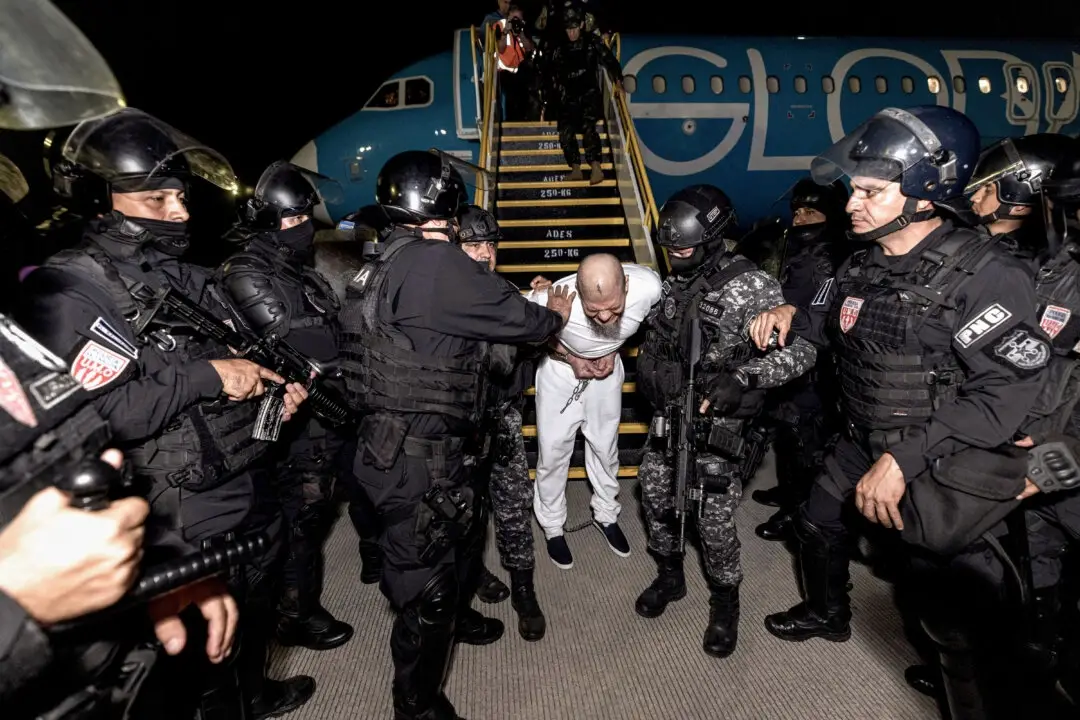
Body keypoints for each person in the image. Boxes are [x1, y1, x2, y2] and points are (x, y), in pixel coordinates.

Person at [16, 107, 315, 718]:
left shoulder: (186, 275)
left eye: (179, 197)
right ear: (103, 203)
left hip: (243, 473)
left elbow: (228, 356)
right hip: (180, 508)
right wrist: (209, 376)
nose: (179, 213)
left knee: (250, 614)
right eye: (158, 200)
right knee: (192, 668)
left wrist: (268, 387)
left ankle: (254, 695)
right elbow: (106, 415)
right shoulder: (73, 291)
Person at [747, 106, 1049, 662]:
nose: (852, 204)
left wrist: (904, 460)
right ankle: (827, 613)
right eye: (852, 190)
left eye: (869, 192)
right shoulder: (862, 264)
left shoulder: (986, 274)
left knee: (947, 593)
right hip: (863, 434)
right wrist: (793, 313)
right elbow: (837, 325)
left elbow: (1002, 393)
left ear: (926, 197)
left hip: (939, 449)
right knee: (816, 519)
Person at [337, 150, 573, 720]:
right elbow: (527, 323)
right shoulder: (437, 264)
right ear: (444, 208)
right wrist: (557, 311)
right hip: (418, 457)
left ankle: (449, 633)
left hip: (390, 442)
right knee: (426, 594)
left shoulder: (380, 260)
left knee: (444, 561)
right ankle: (415, 707)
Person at [635, 184, 817, 659]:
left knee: (713, 521)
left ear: (713, 238)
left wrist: (746, 376)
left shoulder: (750, 285)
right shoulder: (674, 280)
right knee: (657, 500)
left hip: (719, 429)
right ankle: (670, 576)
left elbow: (801, 350)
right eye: (670, 249)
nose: (675, 256)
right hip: (667, 422)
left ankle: (724, 601)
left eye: (685, 248)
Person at [217, 160, 354, 651]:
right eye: (291, 222)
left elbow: (333, 330)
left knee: (316, 514)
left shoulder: (301, 273)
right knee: (300, 517)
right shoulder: (245, 272)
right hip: (284, 415)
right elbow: (293, 343)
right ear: (265, 224)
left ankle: (298, 604)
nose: (302, 231)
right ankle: (295, 613)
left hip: (323, 408)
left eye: (304, 220)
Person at [526, 254, 662, 568]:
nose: (603, 318)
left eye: (613, 308)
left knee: (605, 447)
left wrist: (616, 349)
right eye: (592, 310)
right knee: (553, 452)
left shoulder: (648, 286)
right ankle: (552, 525)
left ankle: (606, 514)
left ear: (626, 286)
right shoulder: (554, 297)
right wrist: (570, 356)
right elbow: (525, 332)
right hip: (560, 374)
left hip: (606, 374)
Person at [457, 205, 546, 640]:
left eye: (489, 244)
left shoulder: (506, 292)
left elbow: (531, 343)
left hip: (503, 417)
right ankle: (473, 575)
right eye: (473, 244)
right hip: (457, 425)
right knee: (464, 513)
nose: (484, 253)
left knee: (513, 507)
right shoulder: (442, 296)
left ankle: (524, 589)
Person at [754, 178, 849, 542]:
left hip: (815, 364)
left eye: (811, 210)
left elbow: (823, 318)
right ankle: (787, 490)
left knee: (805, 442)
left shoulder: (834, 257)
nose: (800, 218)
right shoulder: (795, 248)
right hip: (788, 356)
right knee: (785, 431)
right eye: (797, 210)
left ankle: (798, 509)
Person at [966, 134, 1075, 263]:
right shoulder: (964, 237)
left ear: (1020, 205)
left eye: (988, 190)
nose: (975, 197)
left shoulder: (1015, 265)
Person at [548, 3, 623, 185]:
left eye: (574, 28)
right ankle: (575, 169)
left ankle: (596, 167)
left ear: (581, 25)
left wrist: (618, 81)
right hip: (569, 96)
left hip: (588, 93)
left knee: (589, 128)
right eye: (568, 29)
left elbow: (609, 59)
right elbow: (552, 72)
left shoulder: (591, 42)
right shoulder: (560, 46)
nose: (571, 33)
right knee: (565, 132)